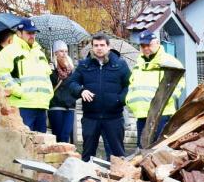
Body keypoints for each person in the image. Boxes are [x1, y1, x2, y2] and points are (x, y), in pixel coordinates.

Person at [64, 32, 130, 161]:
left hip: (114, 118)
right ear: (92, 47)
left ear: (108, 47)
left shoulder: (120, 65)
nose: (99, 48)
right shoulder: (84, 65)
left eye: (102, 45)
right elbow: (71, 83)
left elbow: (129, 85)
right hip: (90, 118)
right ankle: (87, 180)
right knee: (88, 155)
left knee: (117, 156)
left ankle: (117, 180)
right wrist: (81, 91)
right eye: (96, 45)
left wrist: (119, 100)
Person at [126, 31, 185, 147]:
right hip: (142, 113)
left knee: (159, 147)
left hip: (161, 113)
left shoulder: (168, 61)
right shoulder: (139, 64)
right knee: (143, 148)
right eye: (143, 46)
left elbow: (179, 82)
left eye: (149, 45)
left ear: (157, 43)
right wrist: (129, 101)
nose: (146, 48)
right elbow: (132, 84)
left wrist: (167, 98)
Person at [0, 18, 52, 133]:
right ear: (19, 33)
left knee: (40, 146)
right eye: (29, 33)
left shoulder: (39, 53)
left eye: (34, 33)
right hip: (22, 105)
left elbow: (46, 77)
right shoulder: (8, 52)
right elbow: (2, 76)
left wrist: (49, 93)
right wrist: (20, 93)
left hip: (41, 105)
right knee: (24, 143)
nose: (32, 36)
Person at [47, 40, 77, 145]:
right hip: (56, 104)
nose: (64, 54)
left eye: (66, 51)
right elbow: (50, 83)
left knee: (66, 135)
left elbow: (74, 85)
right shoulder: (51, 67)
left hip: (70, 105)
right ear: (55, 53)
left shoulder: (71, 68)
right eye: (61, 51)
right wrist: (55, 69)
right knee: (58, 135)